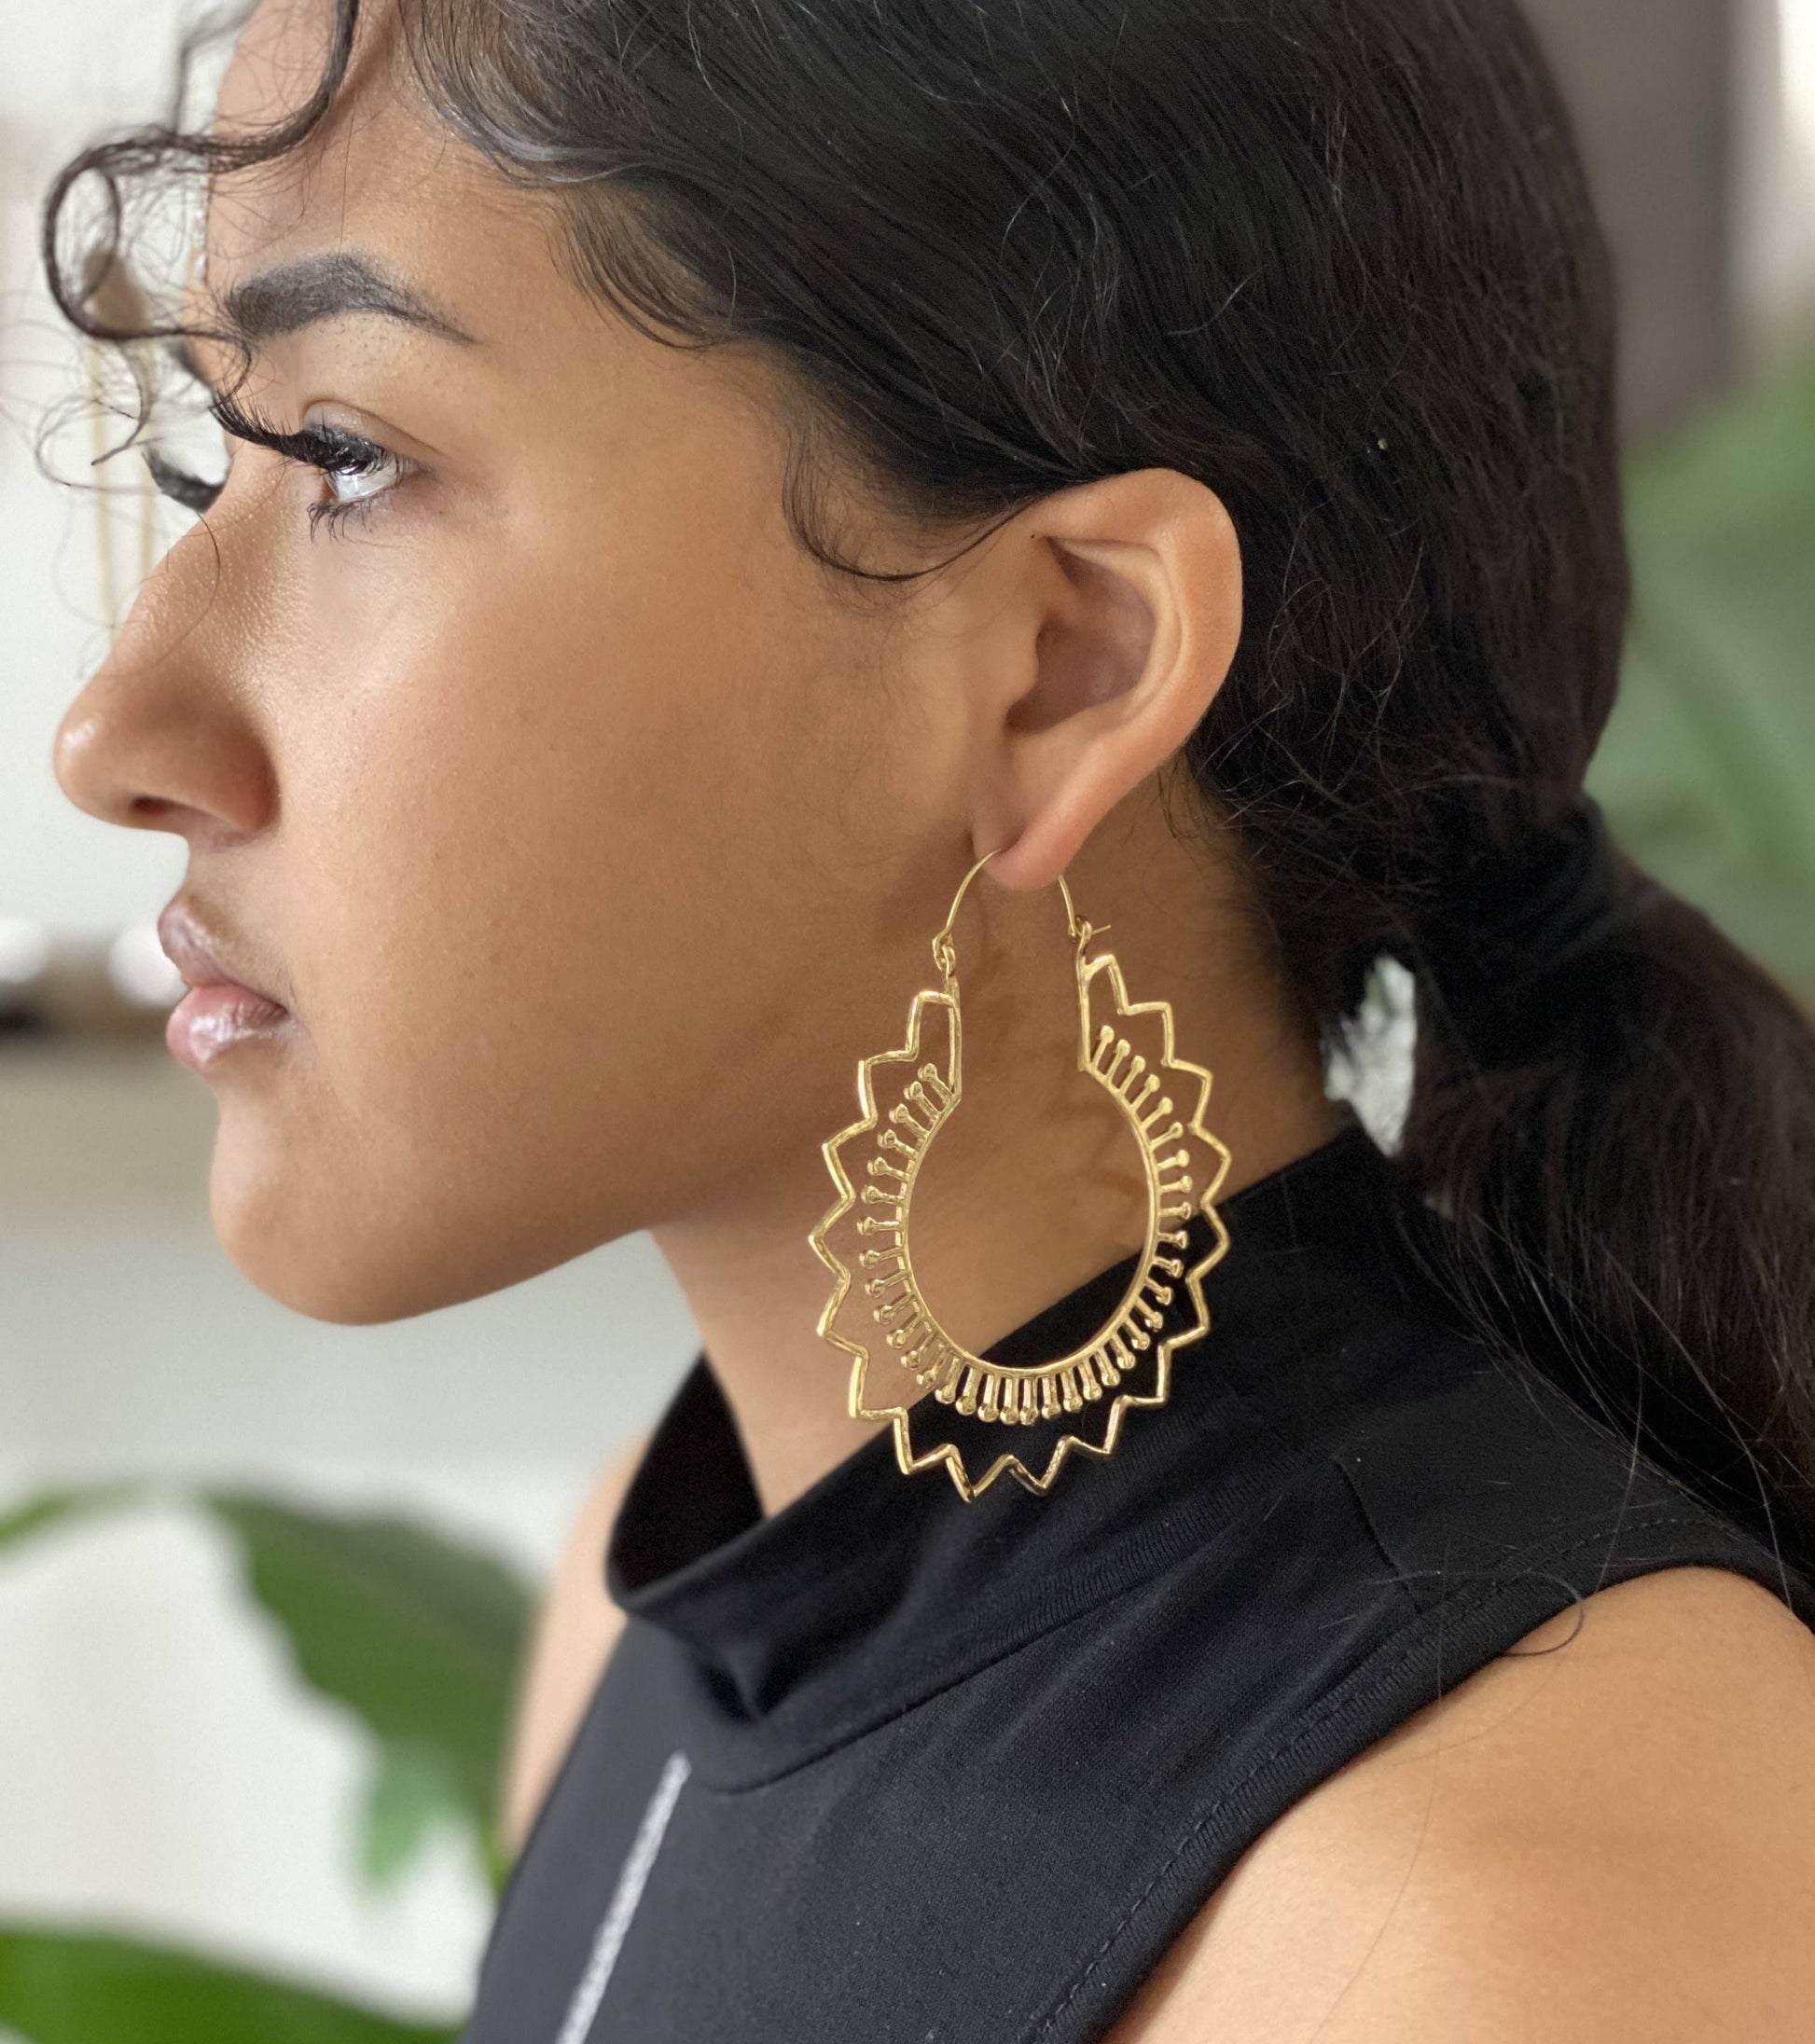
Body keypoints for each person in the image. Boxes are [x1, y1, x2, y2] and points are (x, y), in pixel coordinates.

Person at [46, 0, 1815, 2035]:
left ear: (1062, 663)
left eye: (346, 457)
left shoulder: (1498, 1916)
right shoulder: (636, 1616)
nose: (116, 732)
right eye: (213, 455)